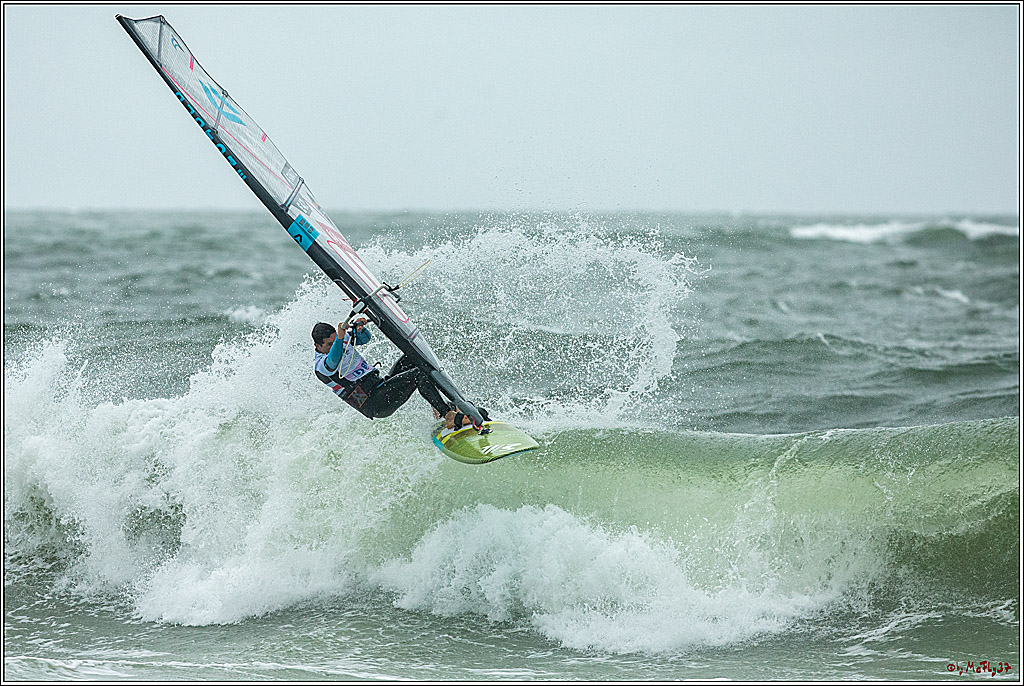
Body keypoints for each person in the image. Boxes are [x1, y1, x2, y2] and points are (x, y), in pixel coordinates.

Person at [312, 313, 486, 428]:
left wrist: (360, 328)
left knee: (413, 356)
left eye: (335, 340)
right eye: (328, 344)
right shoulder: (321, 366)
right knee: (417, 375)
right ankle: (448, 416)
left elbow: (365, 338)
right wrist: (341, 338)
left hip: (380, 386)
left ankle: (440, 408)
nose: (335, 345)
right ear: (317, 346)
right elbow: (333, 361)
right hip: (375, 403)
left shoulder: (340, 340)